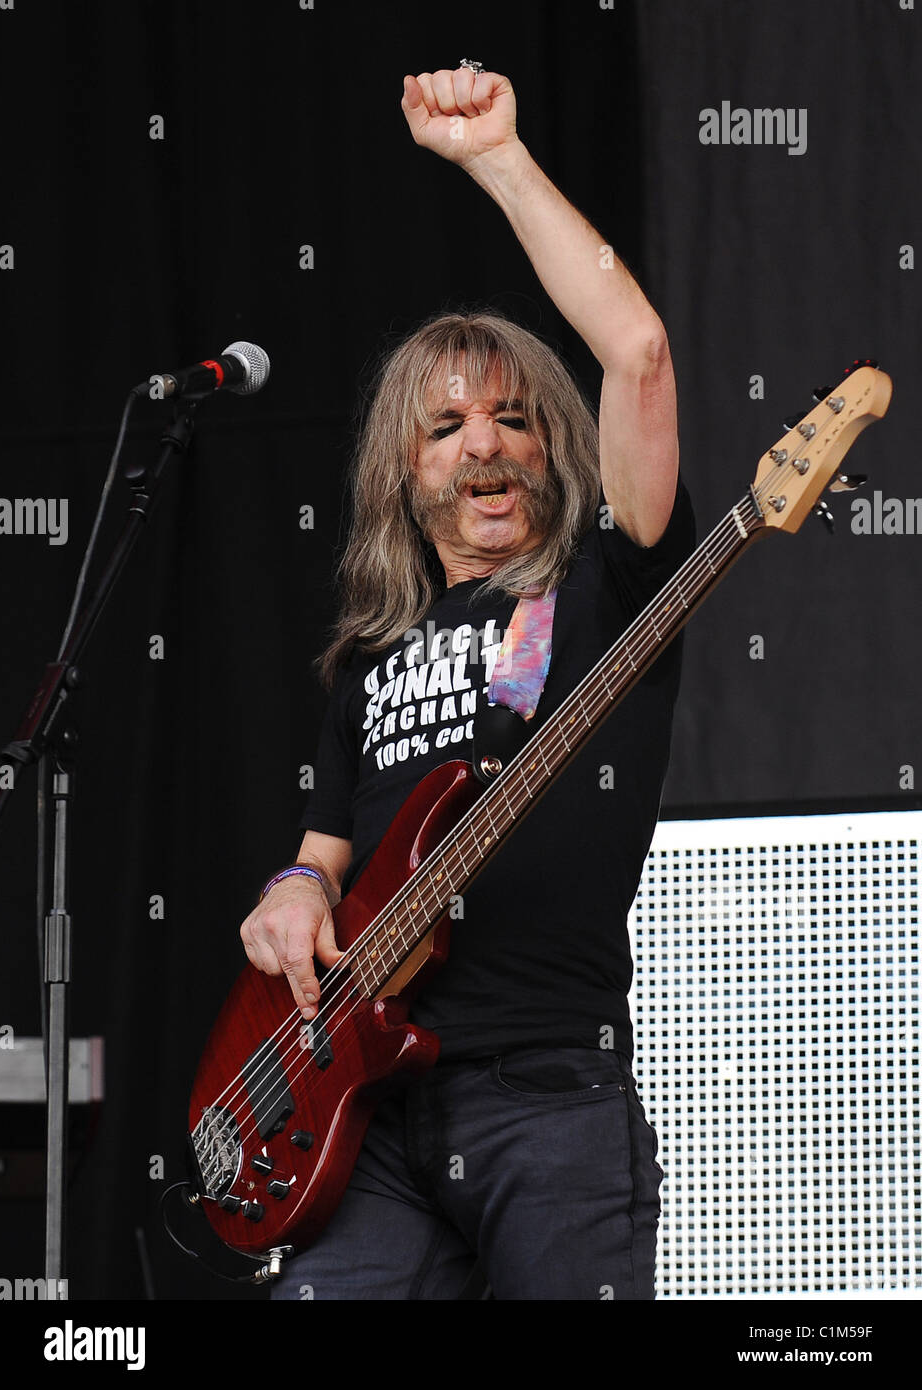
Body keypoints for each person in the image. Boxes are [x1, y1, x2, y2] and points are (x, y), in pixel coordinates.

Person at [240, 64, 695, 1300]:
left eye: (512, 418)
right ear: (407, 474)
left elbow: (638, 351)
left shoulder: (605, 584)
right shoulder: (369, 655)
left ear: (555, 444)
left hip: (544, 1091)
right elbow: (320, 857)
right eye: (444, 428)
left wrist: (495, 157)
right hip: (366, 1113)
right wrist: (290, 895)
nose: (482, 442)